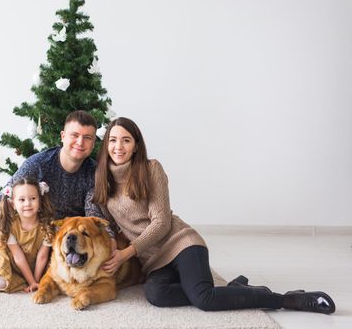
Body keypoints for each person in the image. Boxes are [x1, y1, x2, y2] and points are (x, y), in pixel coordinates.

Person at [93, 117, 335, 314]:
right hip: (154, 260)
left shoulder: (150, 168)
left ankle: (285, 300)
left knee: (205, 299)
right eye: (113, 140)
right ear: (106, 145)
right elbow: (109, 226)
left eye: (126, 140)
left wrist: (127, 253)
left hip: (181, 243)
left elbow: (161, 222)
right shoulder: (102, 181)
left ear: (136, 145)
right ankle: (236, 289)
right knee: (156, 295)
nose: (118, 147)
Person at [0, 110, 115, 267]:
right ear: (63, 136)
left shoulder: (94, 173)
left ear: (93, 142)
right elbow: (1, 202)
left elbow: (93, 215)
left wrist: (111, 246)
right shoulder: (37, 165)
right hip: (32, 238)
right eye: (74, 135)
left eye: (87, 138)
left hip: (67, 242)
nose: (80, 142)